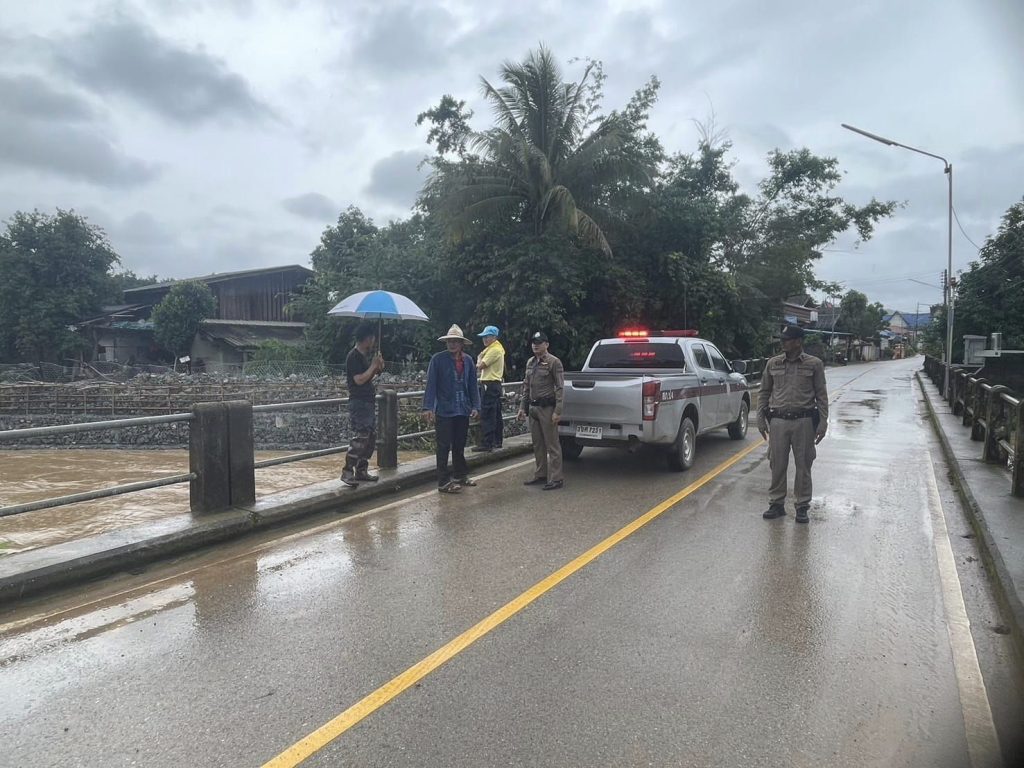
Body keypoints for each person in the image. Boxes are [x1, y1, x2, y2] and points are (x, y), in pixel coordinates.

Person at [756, 324, 829, 523]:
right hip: (778, 421)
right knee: (777, 464)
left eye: (786, 340)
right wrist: (760, 419)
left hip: (804, 421)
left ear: (798, 342)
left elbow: (821, 395)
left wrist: (823, 423)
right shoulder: (773, 363)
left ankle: (802, 506)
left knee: (803, 465)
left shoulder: (814, 364)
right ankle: (776, 504)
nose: (783, 343)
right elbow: (764, 392)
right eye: (782, 339)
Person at [422, 324, 481, 493]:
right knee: (443, 446)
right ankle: (443, 481)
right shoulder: (438, 360)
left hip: (462, 408)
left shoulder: (468, 361)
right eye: (450, 341)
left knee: (459, 444)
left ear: (461, 344)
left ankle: (460, 475)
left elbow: (473, 385)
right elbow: (431, 384)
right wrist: (428, 407)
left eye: (455, 341)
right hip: (444, 409)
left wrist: (476, 406)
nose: (452, 344)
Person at [517, 331, 565, 490]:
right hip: (533, 408)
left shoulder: (554, 362)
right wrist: (522, 407)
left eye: (539, 342)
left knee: (552, 444)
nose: (535, 345)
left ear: (547, 344)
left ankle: (557, 478)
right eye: (533, 343)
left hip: (547, 408)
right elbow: (526, 386)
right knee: (537, 444)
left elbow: (560, 387)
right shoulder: (530, 362)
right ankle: (540, 474)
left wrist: (558, 411)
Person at [341, 321, 385, 487]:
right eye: (372, 338)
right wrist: (373, 366)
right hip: (359, 402)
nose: (373, 341)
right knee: (361, 437)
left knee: (370, 438)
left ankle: (361, 470)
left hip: (367, 401)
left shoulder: (363, 356)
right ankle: (347, 471)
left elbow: (367, 377)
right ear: (368, 338)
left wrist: (377, 368)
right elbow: (359, 380)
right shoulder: (353, 357)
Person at [472, 324, 506, 453]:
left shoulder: (494, 350)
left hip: (489, 383)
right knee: (495, 413)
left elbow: (480, 365)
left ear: (494, 337)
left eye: (487, 336)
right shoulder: (494, 348)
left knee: (487, 413)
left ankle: (487, 443)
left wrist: (479, 358)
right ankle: (497, 440)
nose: (485, 339)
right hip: (494, 384)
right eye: (484, 337)